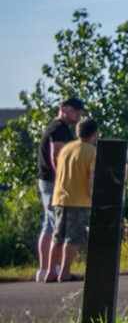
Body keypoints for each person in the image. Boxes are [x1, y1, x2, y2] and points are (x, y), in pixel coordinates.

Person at [43, 118, 101, 283]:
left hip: (60, 196)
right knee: (73, 238)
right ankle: (65, 272)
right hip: (79, 199)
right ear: (94, 133)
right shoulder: (91, 151)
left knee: (58, 236)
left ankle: (50, 272)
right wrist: (93, 196)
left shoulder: (67, 148)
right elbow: (92, 176)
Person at [34, 97, 82, 282]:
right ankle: (53, 269)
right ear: (63, 109)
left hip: (47, 180)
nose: (78, 114)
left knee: (49, 223)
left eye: (80, 112)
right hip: (53, 181)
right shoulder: (59, 128)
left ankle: (45, 269)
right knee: (56, 222)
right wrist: (62, 180)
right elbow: (56, 155)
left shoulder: (58, 127)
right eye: (75, 110)